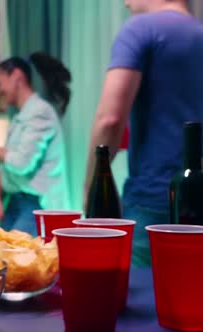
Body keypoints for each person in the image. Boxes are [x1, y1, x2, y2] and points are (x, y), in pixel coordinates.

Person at [83, 0, 203, 267]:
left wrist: (89, 187)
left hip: (153, 203)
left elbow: (110, 120)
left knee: (145, 303)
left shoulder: (140, 30)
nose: (124, 2)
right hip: (199, 202)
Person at [0, 53, 71, 235]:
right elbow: (5, 164)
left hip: (35, 206)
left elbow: (21, 163)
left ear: (17, 77)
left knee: (14, 259)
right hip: (14, 201)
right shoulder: (20, 117)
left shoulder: (40, 113)